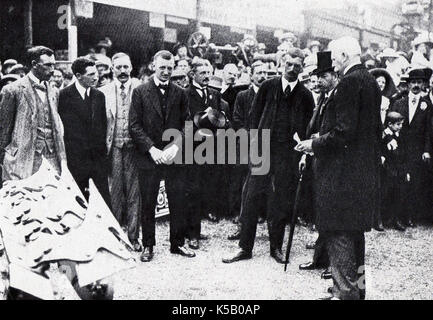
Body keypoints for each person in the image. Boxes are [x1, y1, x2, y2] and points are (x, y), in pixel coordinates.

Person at [296, 36, 382, 300]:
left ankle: (345, 294)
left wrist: (313, 144)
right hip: (362, 176)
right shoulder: (370, 81)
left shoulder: (348, 83)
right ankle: (356, 290)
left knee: (339, 233)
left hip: (341, 178)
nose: (332, 64)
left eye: (334, 58)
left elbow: (343, 133)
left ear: (344, 55)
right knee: (356, 237)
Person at [222, 47, 314, 264]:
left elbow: (308, 128)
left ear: (302, 68)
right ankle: (245, 247)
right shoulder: (268, 87)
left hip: (287, 155)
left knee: (281, 200)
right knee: (251, 197)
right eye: (288, 64)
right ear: (282, 63)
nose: (292, 69)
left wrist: (302, 154)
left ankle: (276, 247)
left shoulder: (305, 95)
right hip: (262, 150)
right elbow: (253, 118)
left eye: (297, 66)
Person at [129, 50, 194, 262]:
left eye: (169, 68)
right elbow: (134, 125)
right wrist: (152, 149)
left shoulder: (180, 93)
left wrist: (176, 147)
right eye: (162, 67)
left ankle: (177, 243)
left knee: (178, 199)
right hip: (150, 157)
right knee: (148, 201)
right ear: (153, 67)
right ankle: (148, 245)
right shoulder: (140, 92)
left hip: (174, 156)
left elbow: (188, 124)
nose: (166, 72)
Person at [298, 51, 338, 280]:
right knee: (320, 210)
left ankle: (334, 262)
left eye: (323, 75)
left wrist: (316, 140)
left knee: (332, 213)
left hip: (331, 162)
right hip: (317, 158)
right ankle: (319, 258)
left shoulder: (338, 97)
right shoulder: (323, 96)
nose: (318, 80)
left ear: (333, 75)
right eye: (316, 76)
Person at [0, 46, 66, 182]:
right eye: (48, 65)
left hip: (52, 159)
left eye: (53, 65)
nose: (52, 70)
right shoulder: (12, 90)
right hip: (23, 160)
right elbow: (4, 130)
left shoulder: (54, 91)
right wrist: (6, 158)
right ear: (34, 65)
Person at [99, 52, 142, 252]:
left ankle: (134, 237)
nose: (123, 71)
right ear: (112, 70)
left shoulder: (141, 89)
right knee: (114, 194)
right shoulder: (104, 91)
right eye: (119, 68)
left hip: (135, 149)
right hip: (114, 148)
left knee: (135, 194)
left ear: (131, 68)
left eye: (126, 67)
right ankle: (116, 238)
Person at [184, 58, 227, 249]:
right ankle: (191, 233)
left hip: (210, 148)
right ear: (192, 74)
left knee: (204, 188)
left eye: (209, 73)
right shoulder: (184, 94)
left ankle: (196, 229)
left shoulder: (214, 94)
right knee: (192, 189)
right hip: (192, 148)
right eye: (202, 73)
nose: (207, 76)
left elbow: (219, 119)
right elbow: (184, 120)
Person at [58, 57, 111, 206]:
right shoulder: (64, 96)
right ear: (78, 76)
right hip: (76, 159)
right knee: (78, 201)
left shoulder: (98, 96)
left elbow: (102, 126)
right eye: (91, 74)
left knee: (102, 201)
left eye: (96, 73)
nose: (96, 77)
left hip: (97, 159)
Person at [227, 60, 268, 240]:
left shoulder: (271, 95)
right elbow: (237, 120)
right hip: (246, 146)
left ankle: (265, 223)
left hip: (265, 146)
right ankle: (242, 225)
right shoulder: (242, 96)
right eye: (258, 73)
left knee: (263, 187)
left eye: (265, 73)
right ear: (251, 75)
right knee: (244, 187)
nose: (262, 76)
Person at [390, 69, 432, 226]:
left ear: (423, 85)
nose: (415, 85)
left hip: (416, 149)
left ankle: (410, 216)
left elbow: (428, 129)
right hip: (399, 147)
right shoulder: (399, 102)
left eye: (419, 82)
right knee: (399, 180)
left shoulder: (426, 105)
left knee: (414, 183)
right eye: (413, 82)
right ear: (407, 85)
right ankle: (396, 217)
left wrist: (427, 150)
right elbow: (390, 123)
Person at [381, 112, 408, 231]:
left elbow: (404, 153)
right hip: (387, 169)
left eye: (401, 124)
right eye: (398, 124)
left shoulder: (400, 136)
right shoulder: (384, 135)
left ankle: (395, 219)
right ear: (390, 124)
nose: (400, 127)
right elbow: (381, 150)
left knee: (398, 193)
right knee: (385, 193)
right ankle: (381, 219)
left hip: (399, 168)